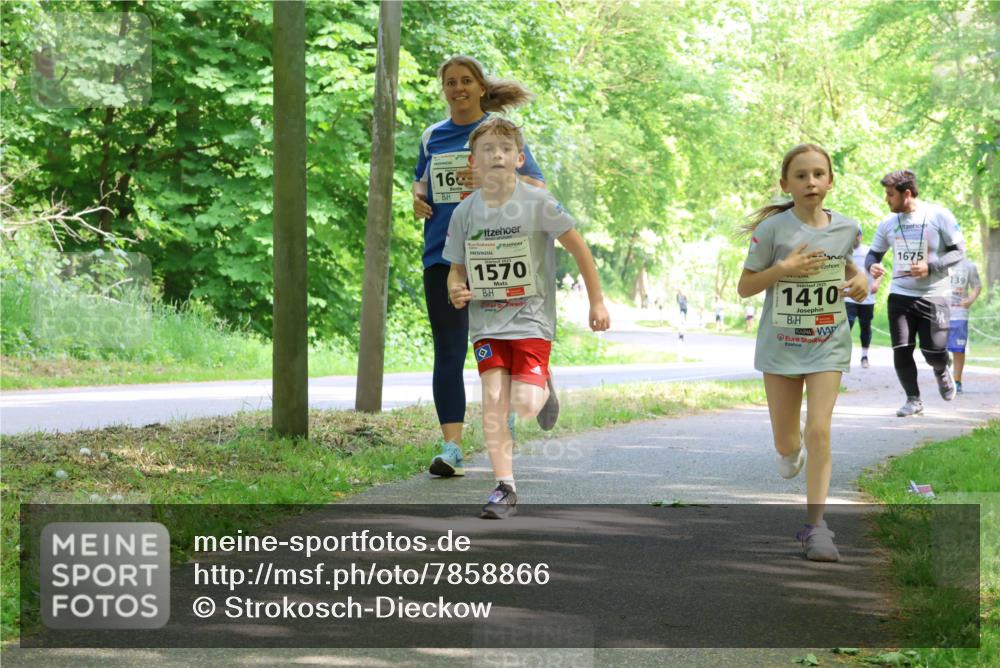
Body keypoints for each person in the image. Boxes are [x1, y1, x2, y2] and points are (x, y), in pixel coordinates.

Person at [443, 117, 610, 519]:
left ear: (519, 158)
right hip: (487, 325)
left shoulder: (540, 203)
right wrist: (455, 288)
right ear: (473, 163)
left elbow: (579, 248)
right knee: (493, 401)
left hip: (532, 321)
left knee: (524, 404)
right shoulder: (464, 213)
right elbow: (456, 269)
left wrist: (597, 302)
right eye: (487, 149)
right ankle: (505, 488)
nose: (496, 154)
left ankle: (543, 386)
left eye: (505, 149)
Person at [413, 55, 546, 478]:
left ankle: (510, 411)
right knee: (448, 352)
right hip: (444, 255)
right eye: (450, 82)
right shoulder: (432, 135)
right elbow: (421, 179)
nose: (458, 89)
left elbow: (537, 185)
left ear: (481, 87)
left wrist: (492, 180)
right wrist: (417, 196)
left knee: (499, 346)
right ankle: (451, 448)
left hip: (500, 253)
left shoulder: (497, 132)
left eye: (466, 81)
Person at [737, 143, 869, 562]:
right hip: (781, 347)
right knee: (789, 442)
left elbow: (844, 264)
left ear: (830, 181)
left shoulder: (846, 228)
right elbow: (746, 286)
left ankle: (817, 528)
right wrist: (783, 270)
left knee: (820, 431)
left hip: (828, 342)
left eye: (818, 174)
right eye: (800, 175)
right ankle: (788, 451)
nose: (810, 182)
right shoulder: (774, 230)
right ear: (785, 184)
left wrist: (862, 279)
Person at [867, 169, 966, 417]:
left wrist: (930, 267)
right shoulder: (888, 223)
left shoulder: (938, 215)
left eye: (890, 195)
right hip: (901, 295)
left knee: (933, 352)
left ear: (907, 193)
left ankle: (942, 369)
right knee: (901, 349)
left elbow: (958, 252)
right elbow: (873, 254)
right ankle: (913, 400)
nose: (886, 199)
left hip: (935, 294)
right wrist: (872, 266)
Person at [843, 229, 882, 368]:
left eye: (857, 235)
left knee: (865, 327)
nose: (854, 238)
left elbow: (880, 271)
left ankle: (864, 357)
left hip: (868, 297)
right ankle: (843, 357)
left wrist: (876, 284)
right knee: (847, 326)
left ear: (861, 236)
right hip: (849, 297)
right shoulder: (844, 252)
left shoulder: (869, 252)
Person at [947, 258, 982, 394]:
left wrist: (970, 299)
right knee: (937, 349)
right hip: (939, 312)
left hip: (959, 313)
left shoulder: (968, 265)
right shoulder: (936, 261)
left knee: (958, 349)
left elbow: (977, 286)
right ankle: (944, 371)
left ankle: (957, 381)